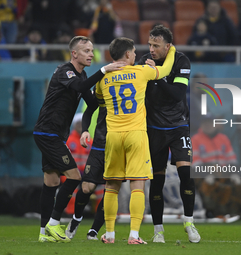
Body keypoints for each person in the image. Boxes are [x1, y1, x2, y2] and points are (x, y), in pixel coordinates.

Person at [33, 35, 124, 243]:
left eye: (92, 50)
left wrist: (89, 124)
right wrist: (103, 71)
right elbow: (79, 89)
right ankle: (54, 224)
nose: (91, 54)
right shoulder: (64, 71)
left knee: (52, 181)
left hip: (53, 134)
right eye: (86, 51)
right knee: (74, 177)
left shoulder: (82, 78)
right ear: (74, 54)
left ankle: (43, 233)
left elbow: (91, 103)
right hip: (48, 133)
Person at [98, 37, 176, 244]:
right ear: (126, 55)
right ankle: (134, 235)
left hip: (113, 135)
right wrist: (172, 49)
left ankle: (111, 234)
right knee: (137, 186)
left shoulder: (103, 77)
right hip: (136, 134)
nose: (135, 55)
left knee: (111, 186)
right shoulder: (141, 71)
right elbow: (166, 69)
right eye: (133, 52)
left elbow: (98, 98)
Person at [137, 25, 201, 243]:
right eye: (150, 44)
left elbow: (177, 94)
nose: (152, 49)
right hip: (154, 129)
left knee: (186, 175)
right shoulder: (143, 61)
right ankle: (158, 230)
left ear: (168, 46)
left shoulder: (181, 62)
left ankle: (189, 222)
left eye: (156, 45)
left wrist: (157, 75)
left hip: (178, 126)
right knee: (157, 181)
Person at [65, 86, 107, 241]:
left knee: (111, 189)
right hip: (98, 144)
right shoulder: (104, 84)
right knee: (86, 187)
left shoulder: (133, 84)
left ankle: (94, 231)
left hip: (119, 146)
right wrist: (85, 129)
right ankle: (75, 220)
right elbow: (89, 110)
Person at [191, 115, 241, 218]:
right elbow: (196, 163)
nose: (208, 125)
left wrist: (234, 174)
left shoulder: (223, 138)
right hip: (204, 172)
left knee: (239, 187)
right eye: (205, 123)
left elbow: (231, 159)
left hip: (224, 171)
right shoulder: (195, 139)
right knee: (208, 187)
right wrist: (207, 174)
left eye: (210, 123)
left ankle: (236, 212)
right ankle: (212, 212)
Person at [63, 113, 92, 216]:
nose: (80, 126)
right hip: (72, 172)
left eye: (82, 124)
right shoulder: (68, 140)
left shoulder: (90, 141)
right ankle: (71, 211)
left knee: (100, 187)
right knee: (72, 187)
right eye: (78, 123)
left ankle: (98, 211)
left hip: (87, 173)